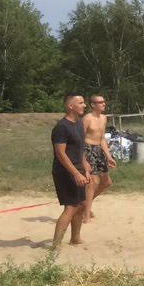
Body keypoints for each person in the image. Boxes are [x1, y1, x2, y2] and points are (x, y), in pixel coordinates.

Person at [51, 92, 91, 249]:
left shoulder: (79, 123)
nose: (84, 105)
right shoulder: (61, 127)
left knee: (82, 204)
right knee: (71, 206)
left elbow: (80, 149)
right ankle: (55, 245)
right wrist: (75, 173)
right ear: (70, 106)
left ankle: (75, 238)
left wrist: (85, 167)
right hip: (65, 171)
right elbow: (60, 153)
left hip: (78, 169)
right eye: (80, 103)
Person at [82, 94, 116, 221]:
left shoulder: (104, 118)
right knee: (93, 182)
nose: (103, 104)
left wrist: (109, 156)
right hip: (88, 149)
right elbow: (79, 139)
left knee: (106, 182)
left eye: (104, 101)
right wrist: (83, 159)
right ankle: (86, 214)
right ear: (93, 105)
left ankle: (84, 205)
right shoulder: (87, 118)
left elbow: (102, 139)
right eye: (100, 102)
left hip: (99, 150)